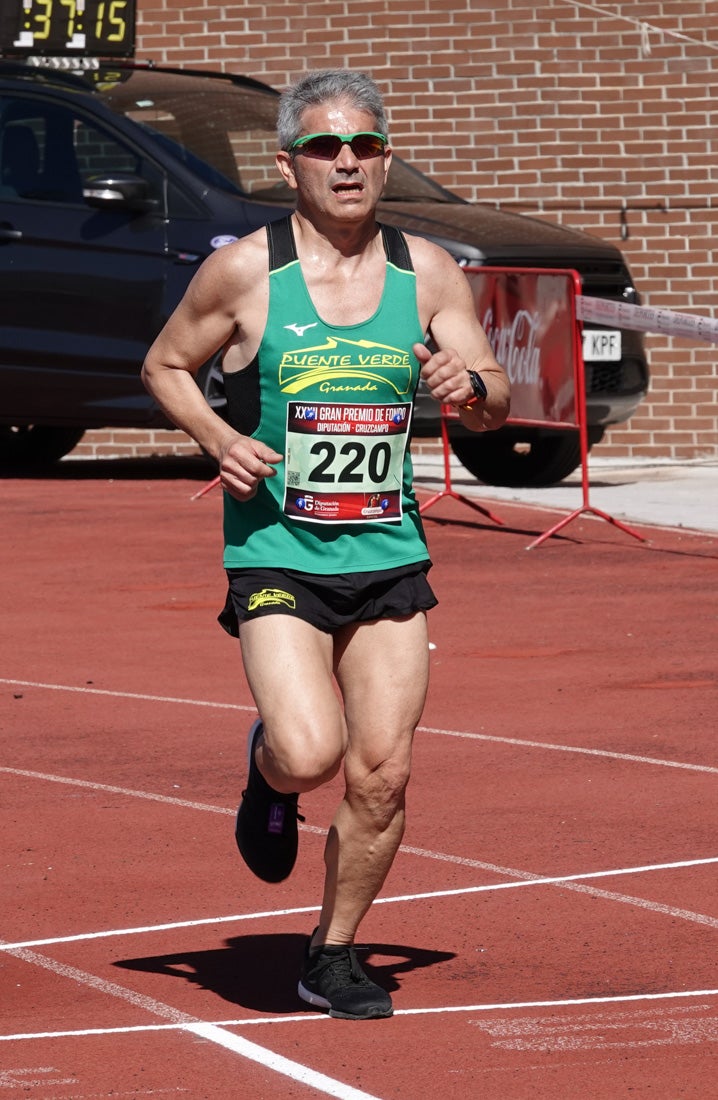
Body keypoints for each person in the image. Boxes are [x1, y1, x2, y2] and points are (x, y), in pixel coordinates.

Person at [142, 68, 510, 1020]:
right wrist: (222, 440)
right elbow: (166, 364)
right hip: (276, 551)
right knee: (313, 754)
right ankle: (270, 768)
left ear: (385, 157)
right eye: (323, 147)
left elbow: (493, 396)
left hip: (389, 554)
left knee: (382, 773)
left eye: (364, 146)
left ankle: (333, 951)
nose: (346, 163)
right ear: (288, 164)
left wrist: (465, 392)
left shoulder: (425, 271)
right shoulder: (243, 272)